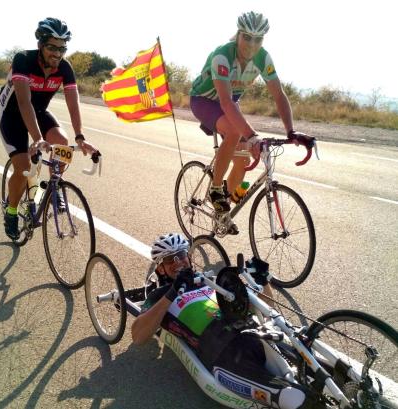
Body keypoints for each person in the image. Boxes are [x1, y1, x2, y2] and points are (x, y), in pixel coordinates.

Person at [131, 233, 324, 409]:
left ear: (189, 257)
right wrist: (173, 292)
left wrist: (263, 281)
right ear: (161, 268)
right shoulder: (159, 296)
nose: (178, 261)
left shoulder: (210, 281)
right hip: (224, 354)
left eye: (181, 255)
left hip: (256, 334)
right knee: (294, 398)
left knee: (317, 364)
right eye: (169, 259)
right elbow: (138, 336)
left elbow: (262, 305)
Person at [189, 11, 311, 232]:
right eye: (247, 37)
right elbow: (225, 102)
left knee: (243, 161)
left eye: (258, 39)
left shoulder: (263, 58)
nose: (251, 45)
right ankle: (216, 189)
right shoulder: (223, 56)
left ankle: (222, 211)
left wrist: (291, 131)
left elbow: (278, 94)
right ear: (238, 35)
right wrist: (252, 135)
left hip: (230, 105)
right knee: (238, 133)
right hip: (205, 101)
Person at [0, 17, 98, 240]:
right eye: (52, 47)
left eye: (62, 48)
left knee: (62, 143)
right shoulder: (23, 60)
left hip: (40, 113)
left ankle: (51, 188)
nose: (57, 53)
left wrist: (80, 137)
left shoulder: (64, 67)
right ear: (40, 45)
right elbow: (24, 102)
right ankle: (12, 211)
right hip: (13, 116)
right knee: (23, 168)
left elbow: (73, 102)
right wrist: (37, 138)